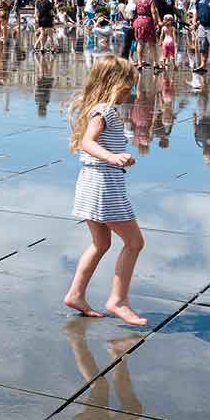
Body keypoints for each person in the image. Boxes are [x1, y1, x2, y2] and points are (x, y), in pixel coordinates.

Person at [62, 56, 147, 325]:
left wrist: (119, 156)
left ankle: (76, 294)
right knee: (134, 243)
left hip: (91, 183)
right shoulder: (104, 112)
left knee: (101, 243)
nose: (130, 92)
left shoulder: (99, 110)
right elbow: (88, 142)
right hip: (105, 187)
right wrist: (112, 157)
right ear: (113, 84)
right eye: (127, 86)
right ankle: (118, 300)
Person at [132, 0, 160, 70]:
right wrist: (156, 22)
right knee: (152, 43)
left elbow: (133, 10)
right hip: (147, 21)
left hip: (138, 20)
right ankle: (155, 63)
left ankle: (140, 63)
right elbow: (153, 12)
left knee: (140, 43)